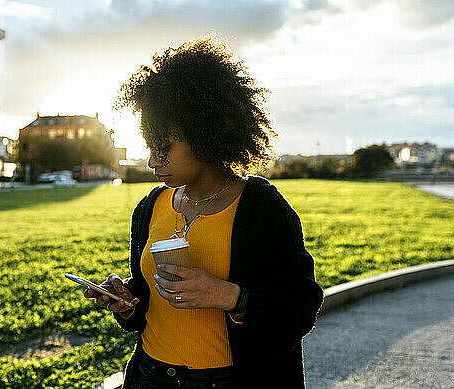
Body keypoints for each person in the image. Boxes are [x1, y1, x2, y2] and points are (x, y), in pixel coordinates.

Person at [84, 35, 324, 388]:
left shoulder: (261, 208)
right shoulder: (150, 207)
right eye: (149, 148)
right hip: (149, 377)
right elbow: (151, 296)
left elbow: (301, 305)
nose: (152, 162)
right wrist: (128, 303)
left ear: (205, 133)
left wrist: (229, 295)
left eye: (163, 149)